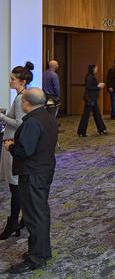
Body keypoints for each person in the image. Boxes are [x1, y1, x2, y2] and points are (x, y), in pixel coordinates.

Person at [4, 88, 58, 273]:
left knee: (34, 216)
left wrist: (10, 146)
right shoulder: (48, 116)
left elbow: (24, 151)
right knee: (40, 213)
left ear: (25, 103)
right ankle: (42, 251)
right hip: (43, 170)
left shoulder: (32, 122)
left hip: (33, 173)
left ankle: (36, 259)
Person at [0, 62, 34, 240]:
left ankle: (14, 222)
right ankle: (21, 220)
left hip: (14, 143)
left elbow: (20, 123)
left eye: (12, 79)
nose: (9, 81)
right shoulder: (21, 96)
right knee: (17, 187)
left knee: (16, 187)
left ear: (21, 82)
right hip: (14, 142)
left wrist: (2, 117)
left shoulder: (21, 98)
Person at [76, 64, 107, 137]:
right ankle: (82, 131)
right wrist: (98, 86)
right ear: (93, 69)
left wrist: (98, 85)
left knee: (97, 115)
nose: (97, 69)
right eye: (96, 68)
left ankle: (101, 129)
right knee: (87, 116)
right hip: (90, 99)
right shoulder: (90, 77)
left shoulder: (91, 76)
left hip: (92, 99)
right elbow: (89, 87)